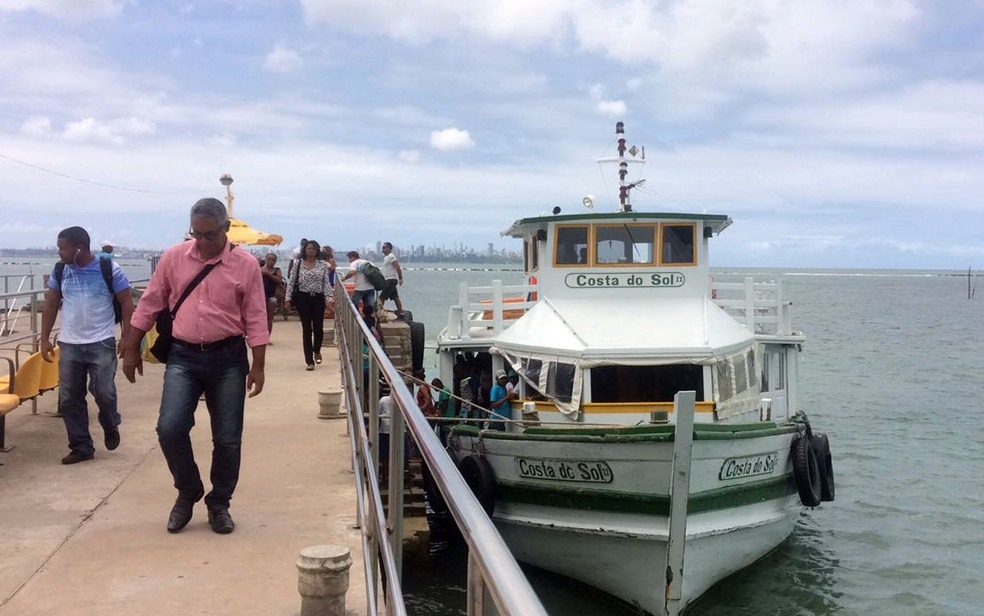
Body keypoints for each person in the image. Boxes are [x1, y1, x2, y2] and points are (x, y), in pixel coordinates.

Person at [121, 197, 268, 535]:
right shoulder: (174, 258)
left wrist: (258, 366)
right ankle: (188, 490)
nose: (201, 242)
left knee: (228, 438)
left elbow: (257, 317)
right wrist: (130, 346)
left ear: (226, 229)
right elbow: (150, 303)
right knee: (170, 428)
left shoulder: (245, 265)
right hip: (183, 357)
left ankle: (219, 504)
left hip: (229, 358)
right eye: (196, 234)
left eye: (209, 235)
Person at [40, 226, 134, 464]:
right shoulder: (61, 270)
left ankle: (110, 421)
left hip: (101, 341)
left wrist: (126, 338)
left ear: (78, 248)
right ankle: (81, 446)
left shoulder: (109, 269)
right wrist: (43, 339)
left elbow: (126, 304)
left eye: (63, 248)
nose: (59, 252)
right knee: (70, 398)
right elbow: (51, 304)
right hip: (69, 343)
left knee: (104, 391)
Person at [285, 240, 332, 370]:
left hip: (318, 297)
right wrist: (287, 298)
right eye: (308, 248)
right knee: (307, 328)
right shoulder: (298, 263)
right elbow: (292, 281)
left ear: (317, 251)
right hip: (302, 297)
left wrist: (329, 299)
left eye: (313, 248)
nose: (311, 250)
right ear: (304, 250)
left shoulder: (322, 265)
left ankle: (316, 350)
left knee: (318, 327)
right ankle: (309, 361)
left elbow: (326, 283)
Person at [260, 252, 285, 336]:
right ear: (266, 260)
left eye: (273, 260)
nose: (271, 261)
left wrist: (268, 274)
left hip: (272, 295)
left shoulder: (277, 270)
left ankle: (267, 336)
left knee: (270, 317)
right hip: (260, 295)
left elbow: (279, 280)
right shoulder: (260, 269)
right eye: (269, 259)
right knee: (260, 317)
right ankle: (260, 335)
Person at [379, 242, 404, 316]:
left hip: (390, 280)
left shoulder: (391, 256)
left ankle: (379, 313)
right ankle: (401, 312)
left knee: (381, 298)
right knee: (395, 297)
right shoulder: (386, 257)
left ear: (389, 248)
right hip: (389, 280)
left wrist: (400, 278)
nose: (383, 250)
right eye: (382, 248)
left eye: (384, 248)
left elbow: (397, 267)